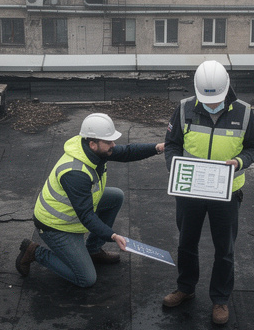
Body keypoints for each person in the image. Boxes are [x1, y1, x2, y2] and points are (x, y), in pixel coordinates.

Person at [162, 60, 254, 325]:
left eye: (215, 101)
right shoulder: (184, 108)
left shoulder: (245, 113)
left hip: (227, 193)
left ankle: (220, 300)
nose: (210, 105)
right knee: (186, 242)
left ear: (226, 90)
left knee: (224, 248)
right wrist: (175, 165)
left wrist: (239, 162)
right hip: (190, 190)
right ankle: (185, 288)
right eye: (206, 102)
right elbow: (172, 144)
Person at [19, 112, 163, 287]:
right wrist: (112, 235)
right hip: (55, 225)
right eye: (109, 142)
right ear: (93, 144)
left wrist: (157, 148)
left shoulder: (92, 150)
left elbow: (127, 152)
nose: (113, 145)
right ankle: (34, 252)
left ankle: (93, 250)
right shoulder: (75, 173)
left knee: (115, 196)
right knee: (86, 279)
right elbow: (86, 215)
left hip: (73, 211)